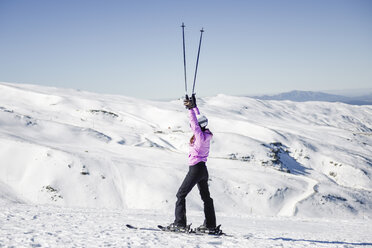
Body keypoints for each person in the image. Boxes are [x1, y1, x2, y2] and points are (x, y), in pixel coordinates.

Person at [167, 94, 216, 232]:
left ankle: (180, 223)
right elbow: (199, 121)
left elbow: (195, 124)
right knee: (206, 198)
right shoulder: (206, 134)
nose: (191, 127)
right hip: (203, 170)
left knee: (180, 195)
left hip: (195, 169)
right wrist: (195, 107)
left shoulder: (199, 136)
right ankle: (210, 225)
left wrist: (190, 110)